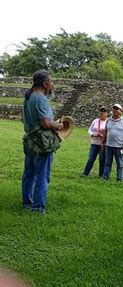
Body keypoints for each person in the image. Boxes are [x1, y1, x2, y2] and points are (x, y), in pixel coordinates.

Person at [21, 70, 63, 214]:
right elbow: (45, 123)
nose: (52, 84)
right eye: (51, 81)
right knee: (42, 176)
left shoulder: (29, 97)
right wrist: (57, 125)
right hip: (41, 143)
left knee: (29, 173)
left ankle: (27, 202)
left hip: (29, 140)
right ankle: (38, 208)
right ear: (45, 84)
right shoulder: (41, 99)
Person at [101, 104, 123, 181]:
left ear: (121, 111)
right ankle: (106, 176)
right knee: (107, 162)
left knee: (119, 163)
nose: (115, 110)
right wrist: (103, 142)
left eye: (117, 109)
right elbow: (106, 132)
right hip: (109, 145)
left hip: (119, 146)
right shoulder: (108, 120)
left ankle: (119, 178)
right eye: (114, 108)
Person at [82, 106, 109, 177]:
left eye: (104, 111)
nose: (102, 113)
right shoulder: (95, 121)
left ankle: (101, 175)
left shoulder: (108, 122)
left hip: (103, 144)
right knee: (91, 159)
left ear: (107, 113)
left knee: (102, 160)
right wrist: (93, 134)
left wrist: (103, 137)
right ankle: (85, 173)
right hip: (94, 143)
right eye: (101, 111)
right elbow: (89, 130)